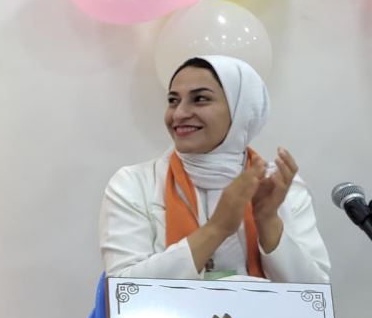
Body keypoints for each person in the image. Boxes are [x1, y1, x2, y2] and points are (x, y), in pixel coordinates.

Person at [100, 55, 329, 283]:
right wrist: (216, 228)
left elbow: (316, 294)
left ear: (241, 109)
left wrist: (268, 221)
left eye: (200, 99)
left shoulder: (280, 188)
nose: (179, 114)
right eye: (173, 100)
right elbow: (124, 289)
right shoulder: (134, 184)